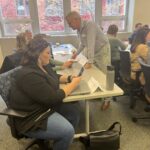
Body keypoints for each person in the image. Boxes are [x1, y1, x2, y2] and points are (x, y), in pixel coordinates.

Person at [9, 38, 81, 150]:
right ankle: (62, 137)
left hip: (41, 106)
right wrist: (73, 85)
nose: (50, 55)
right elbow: (53, 98)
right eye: (48, 53)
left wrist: (69, 78)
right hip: (30, 116)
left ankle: (57, 140)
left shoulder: (43, 65)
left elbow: (54, 77)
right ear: (38, 55)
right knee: (68, 131)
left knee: (74, 112)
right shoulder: (28, 75)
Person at [66, 11, 111, 110]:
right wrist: (75, 54)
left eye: (70, 23)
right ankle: (99, 95)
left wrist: (90, 62)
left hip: (102, 50)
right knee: (95, 73)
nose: (69, 25)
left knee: (103, 74)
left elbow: (90, 44)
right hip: (94, 51)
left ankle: (107, 99)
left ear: (76, 19)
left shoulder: (90, 25)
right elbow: (82, 44)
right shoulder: (79, 30)